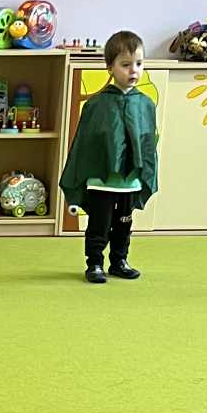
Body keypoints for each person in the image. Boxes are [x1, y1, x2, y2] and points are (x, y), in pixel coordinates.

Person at [59, 31, 158, 285]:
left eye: (139, 63)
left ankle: (119, 261)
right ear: (110, 67)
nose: (133, 70)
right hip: (101, 181)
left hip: (130, 181)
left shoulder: (145, 105)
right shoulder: (96, 105)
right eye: (125, 64)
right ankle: (94, 263)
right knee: (99, 224)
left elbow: (147, 144)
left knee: (124, 223)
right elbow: (86, 145)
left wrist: (146, 173)